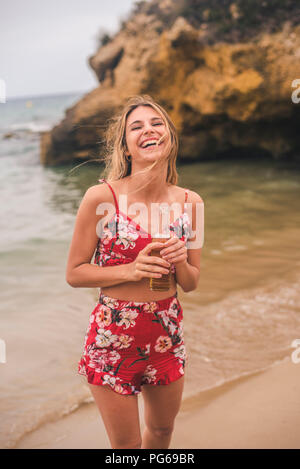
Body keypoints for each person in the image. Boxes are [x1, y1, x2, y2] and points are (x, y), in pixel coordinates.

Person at [65, 94, 203, 449]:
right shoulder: (101, 198)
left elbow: (191, 282)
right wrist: (131, 269)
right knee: (125, 448)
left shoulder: (192, 203)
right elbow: (75, 272)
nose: (148, 130)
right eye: (136, 127)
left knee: (160, 433)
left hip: (166, 334)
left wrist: (181, 261)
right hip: (112, 337)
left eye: (156, 123)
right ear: (126, 147)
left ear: (169, 137)